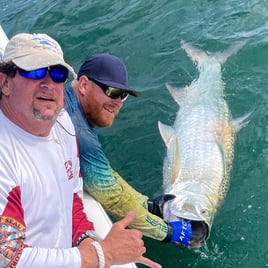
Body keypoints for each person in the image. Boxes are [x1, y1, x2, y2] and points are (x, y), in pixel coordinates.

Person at [0, 32, 161, 268]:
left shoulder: (63, 123)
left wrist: (85, 238)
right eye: (33, 71)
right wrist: (99, 255)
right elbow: (6, 259)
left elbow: (73, 196)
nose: (48, 84)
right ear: (4, 82)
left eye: (57, 74)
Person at [64, 53, 192, 246]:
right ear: (83, 85)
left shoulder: (72, 108)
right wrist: (169, 232)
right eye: (113, 92)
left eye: (123, 96)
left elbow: (104, 173)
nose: (118, 102)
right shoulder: (77, 130)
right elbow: (111, 195)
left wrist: (146, 204)